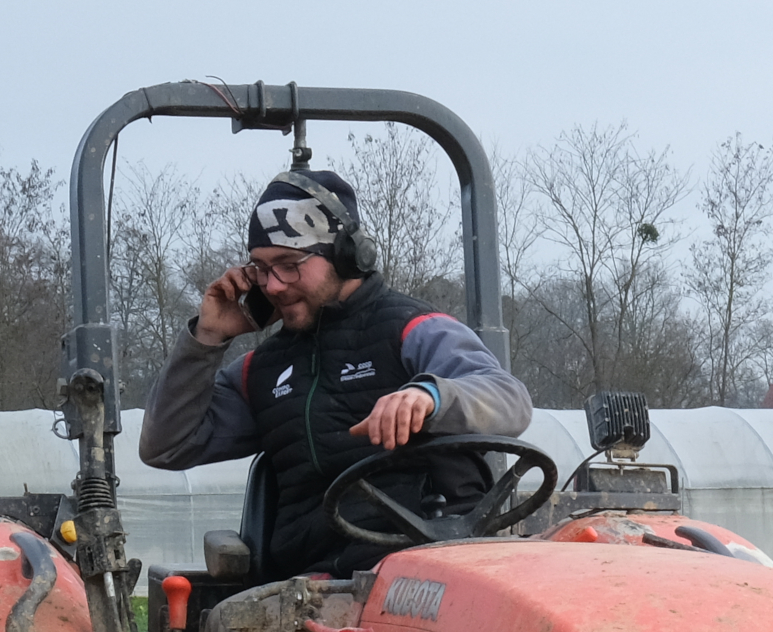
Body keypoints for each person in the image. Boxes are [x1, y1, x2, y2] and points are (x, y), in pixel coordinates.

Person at [139, 170, 532, 578]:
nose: (272, 286)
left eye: (289, 265)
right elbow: (165, 446)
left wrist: (430, 397)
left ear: (348, 256)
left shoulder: (414, 330)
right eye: (260, 267)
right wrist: (207, 338)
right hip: (314, 587)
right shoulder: (262, 370)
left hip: (429, 567)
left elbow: (509, 399)